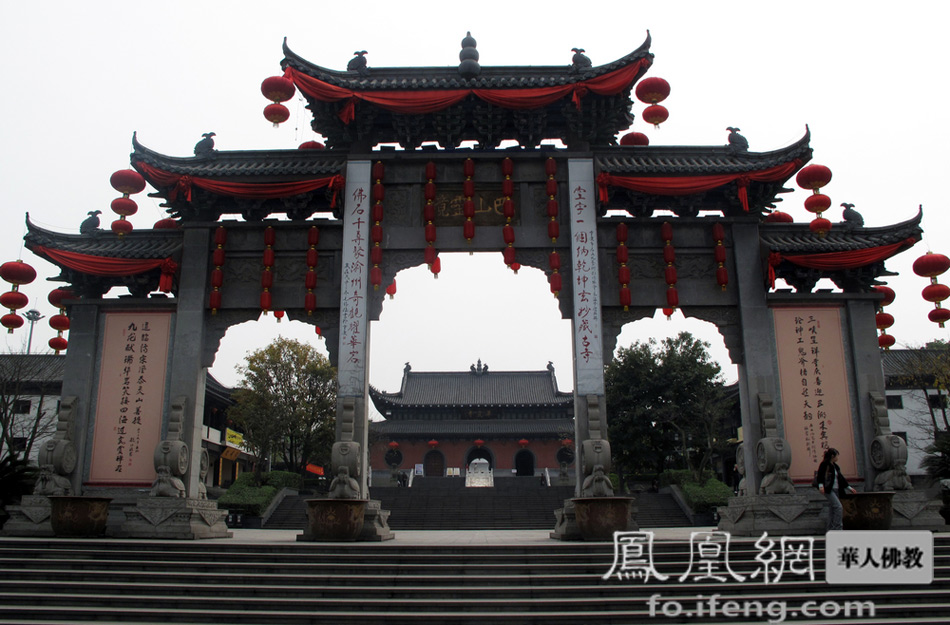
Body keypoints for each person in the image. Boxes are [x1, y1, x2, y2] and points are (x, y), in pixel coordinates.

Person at [816, 447, 856, 531]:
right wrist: (821, 486)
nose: (838, 458)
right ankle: (838, 528)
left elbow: (841, 478)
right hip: (828, 490)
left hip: (836, 489)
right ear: (832, 456)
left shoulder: (835, 466)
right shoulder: (824, 464)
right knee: (838, 507)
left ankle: (830, 529)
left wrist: (849, 487)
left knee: (832, 509)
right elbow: (820, 475)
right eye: (837, 456)